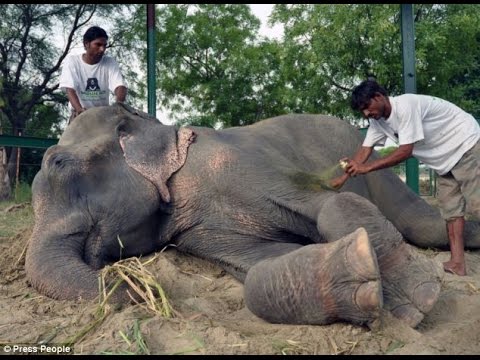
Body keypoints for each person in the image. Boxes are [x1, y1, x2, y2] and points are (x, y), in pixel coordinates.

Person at [330, 79, 480, 276]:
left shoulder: (406, 106)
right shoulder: (377, 122)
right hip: (443, 161)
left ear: (379, 96)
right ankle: (457, 263)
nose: (366, 114)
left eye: (367, 107)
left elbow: (406, 151)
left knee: (478, 204)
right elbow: (365, 150)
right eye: (362, 111)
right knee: (451, 212)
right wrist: (343, 178)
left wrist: (366, 168)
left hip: (465, 144)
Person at [59, 26, 127, 124]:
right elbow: (70, 89)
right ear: (86, 44)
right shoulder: (72, 61)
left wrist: (118, 106)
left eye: (104, 45)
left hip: (103, 116)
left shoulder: (110, 62)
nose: (102, 49)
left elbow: (120, 86)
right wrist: (79, 110)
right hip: (80, 114)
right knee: (72, 139)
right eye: (98, 45)